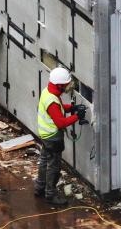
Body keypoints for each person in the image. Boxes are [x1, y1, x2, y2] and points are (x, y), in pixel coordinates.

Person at [34, 66, 84, 205]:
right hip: (53, 138)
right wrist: (77, 117)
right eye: (66, 85)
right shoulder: (53, 101)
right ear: (60, 85)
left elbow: (60, 107)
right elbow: (61, 123)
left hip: (45, 136)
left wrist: (72, 108)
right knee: (53, 167)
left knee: (44, 162)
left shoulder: (48, 92)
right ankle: (50, 194)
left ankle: (39, 188)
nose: (67, 87)